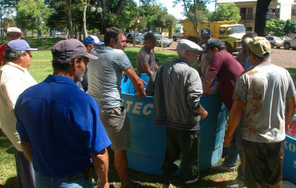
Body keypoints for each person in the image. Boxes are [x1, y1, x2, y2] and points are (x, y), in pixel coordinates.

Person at [14, 39, 113, 188]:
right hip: (75, 181)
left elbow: (26, 144)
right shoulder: (82, 101)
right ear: (75, 63)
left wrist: (43, 168)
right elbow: (99, 153)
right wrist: (104, 182)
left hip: (41, 179)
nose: (85, 68)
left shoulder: (25, 97)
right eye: (85, 63)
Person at [224, 37, 296, 188]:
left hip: (252, 138)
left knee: (253, 181)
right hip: (276, 137)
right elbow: (293, 104)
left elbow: (236, 110)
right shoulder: (284, 74)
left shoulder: (246, 77)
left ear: (251, 55)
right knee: (275, 178)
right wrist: (285, 123)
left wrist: (229, 134)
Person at [87, 27, 146, 188]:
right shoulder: (118, 54)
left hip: (93, 108)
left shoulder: (94, 52)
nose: (125, 44)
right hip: (112, 109)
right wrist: (141, 93)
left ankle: (102, 182)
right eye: (123, 41)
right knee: (120, 149)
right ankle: (125, 183)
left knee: (99, 148)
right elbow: (137, 80)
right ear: (112, 41)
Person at [146, 39, 208, 188]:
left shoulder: (162, 68)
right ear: (187, 54)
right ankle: (189, 183)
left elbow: (150, 90)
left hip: (169, 124)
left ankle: (166, 183)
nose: (197, 58)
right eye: (195, 55)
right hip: (188, 126)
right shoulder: (191, 73)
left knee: (171, 155)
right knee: (190, 160)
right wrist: (202, 111)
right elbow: (193, 103)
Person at [202, 38, 245, 186]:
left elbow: (208, 79)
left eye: (208, 52)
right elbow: (220, 82)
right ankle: (230, 163)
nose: (207, 56)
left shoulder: (219, 56)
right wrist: (211, 92)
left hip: (240, 105)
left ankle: (244, 177)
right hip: (235, 103)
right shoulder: (226, 57)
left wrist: (203, 94)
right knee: (233, 133)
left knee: (240, 138)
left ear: (215, 49)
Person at [0, 40, 37, 188]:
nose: (31, 57)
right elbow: (17, 108)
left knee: (26, 172)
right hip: (25, 134)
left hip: (23, 133)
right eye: (29, 53)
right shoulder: (11, 75)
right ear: (21, 56)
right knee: (32, 174)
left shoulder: (14, 71)